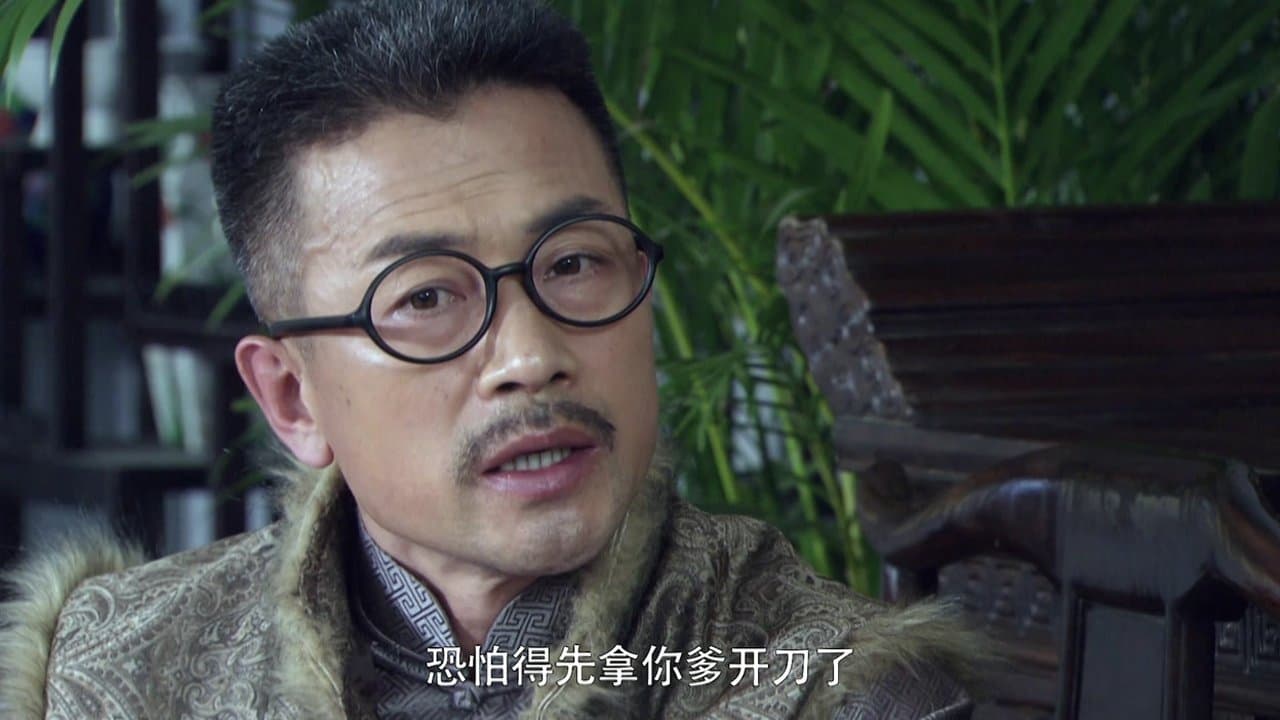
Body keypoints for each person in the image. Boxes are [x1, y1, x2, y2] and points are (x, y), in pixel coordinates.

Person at [0, 1, 976, 717]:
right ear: (292, 398)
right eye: (425, 298)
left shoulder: (831, 688)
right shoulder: (114, 673)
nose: (530, 356)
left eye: (574, 264)